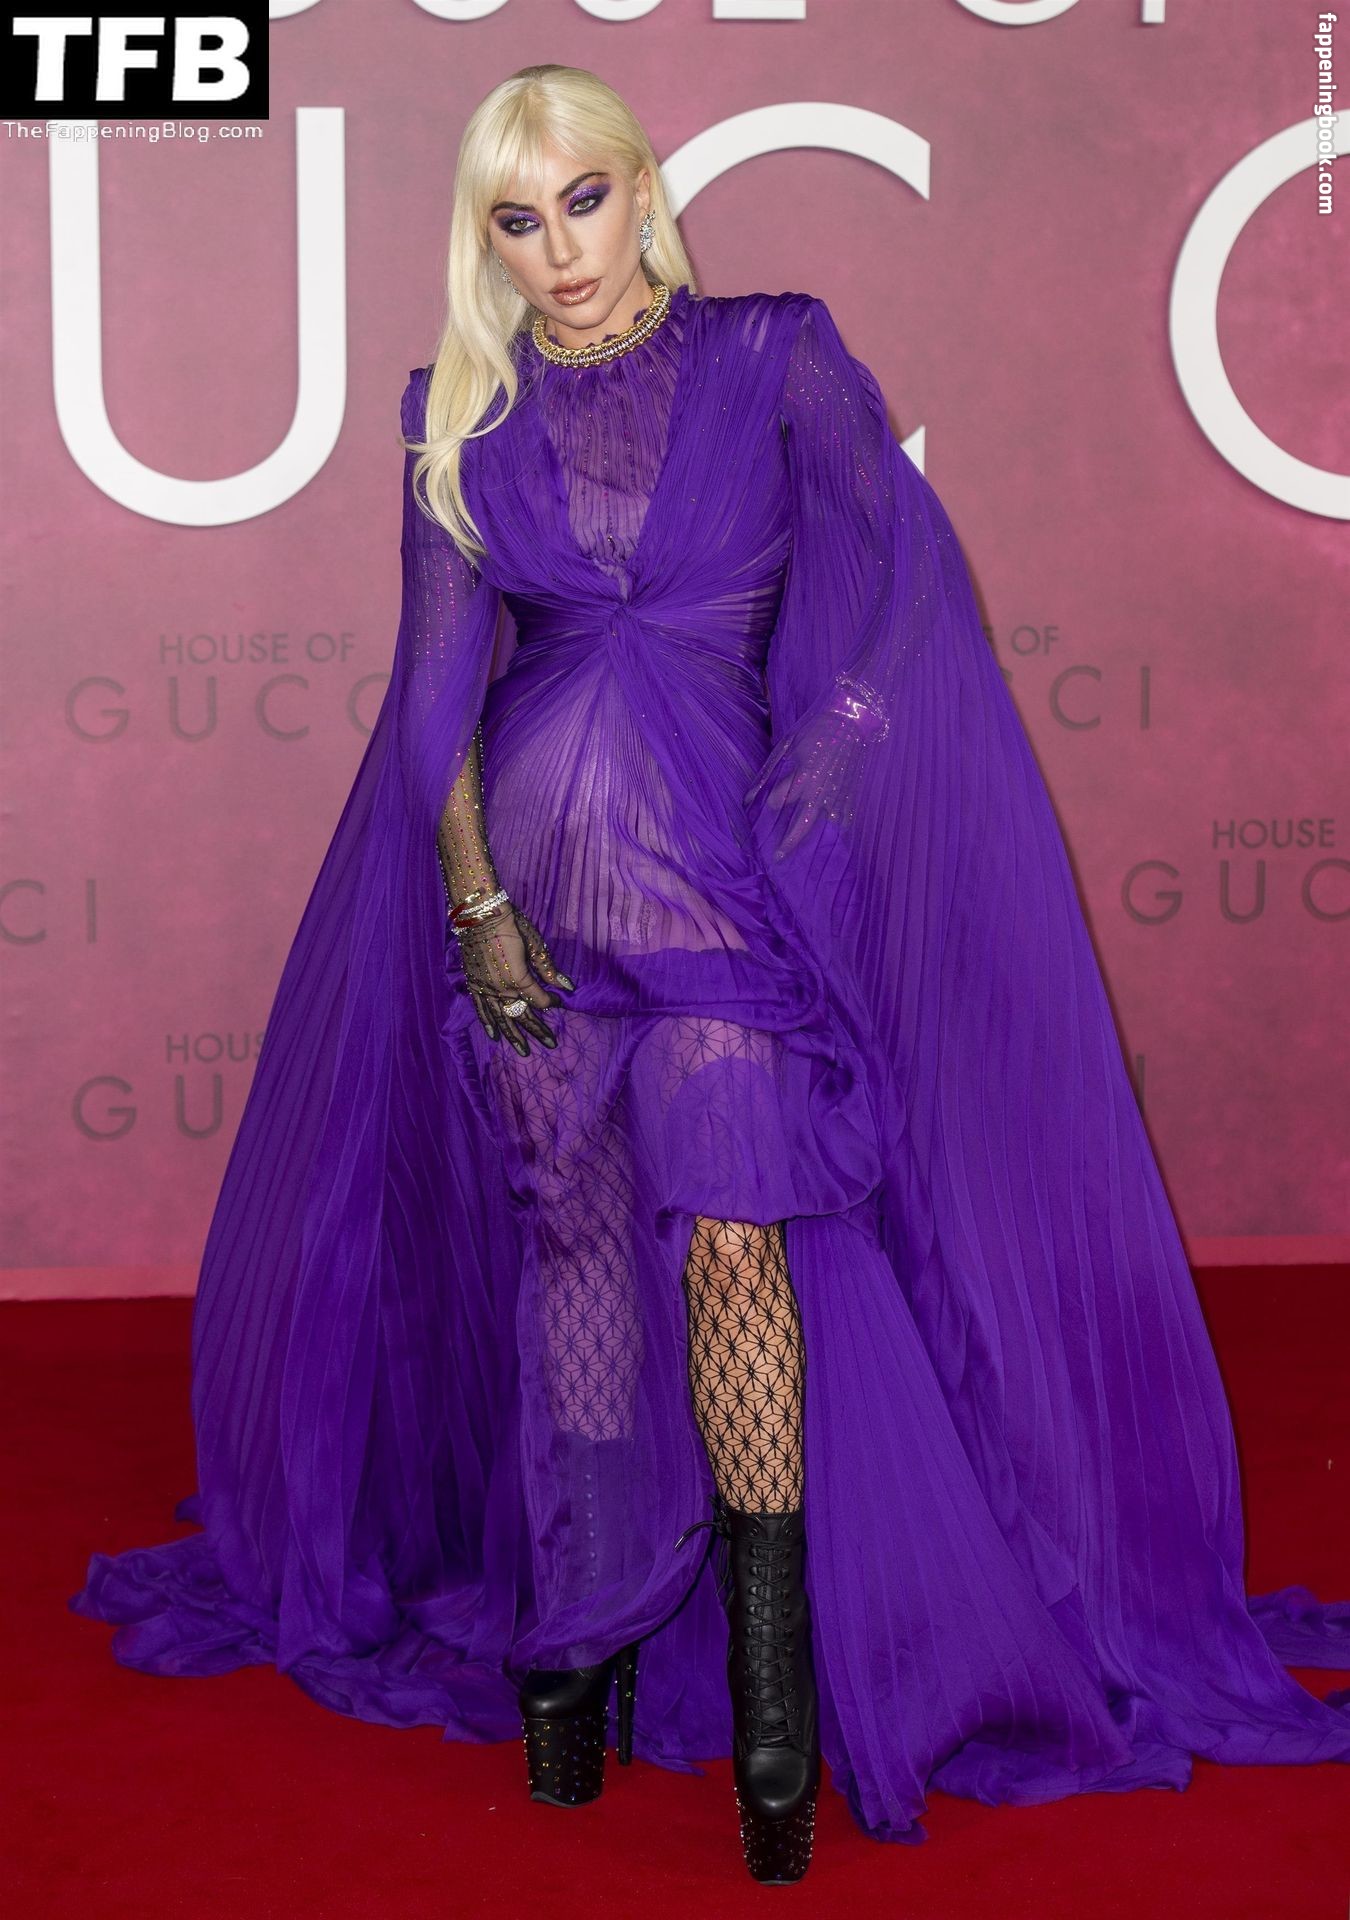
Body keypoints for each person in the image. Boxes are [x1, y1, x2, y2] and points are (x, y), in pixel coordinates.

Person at [71, 63, 1350, 1887]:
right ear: (485, 240)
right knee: (578, 1257)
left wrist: (838, 736)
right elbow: (434, 694)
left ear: (642, 190)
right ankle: (573, 1648)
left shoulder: (772, 353)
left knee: (734, 1247)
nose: (559, 251)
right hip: (536, 913)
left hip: (718, 901)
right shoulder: (456, 412)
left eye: (583, 201)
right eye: (518, 221)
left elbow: (899, 576)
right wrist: (471, 905)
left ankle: (768, 1701)